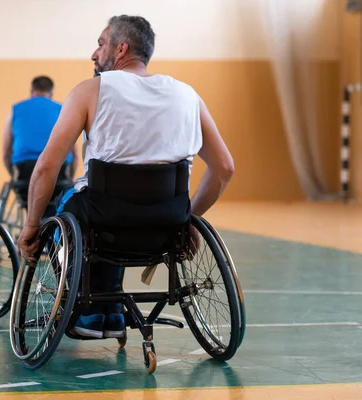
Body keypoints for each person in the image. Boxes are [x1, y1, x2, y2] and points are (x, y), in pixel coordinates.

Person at [17, 15, 234, 339]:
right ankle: (110, 315)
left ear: (121, 48)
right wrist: (189, 217)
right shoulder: (188, 96)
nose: (94, 53)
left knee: (72, 206)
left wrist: (31, 226)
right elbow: (224, 168)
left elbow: (47, 167)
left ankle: (87, 310)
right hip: (165, 225)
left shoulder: (91, 90)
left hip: (102, 223)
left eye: (101, 44)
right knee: (102, 208)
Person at [1, 76, 78, 216]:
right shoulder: (63, 110)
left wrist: (14, 177)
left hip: (26, 176)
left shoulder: (15, 110)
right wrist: (69, 178)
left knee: (30, 205)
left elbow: (6, 153)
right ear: (51, 93)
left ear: (31, 92)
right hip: (57, 174)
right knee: (56, 202)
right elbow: (74, 153)